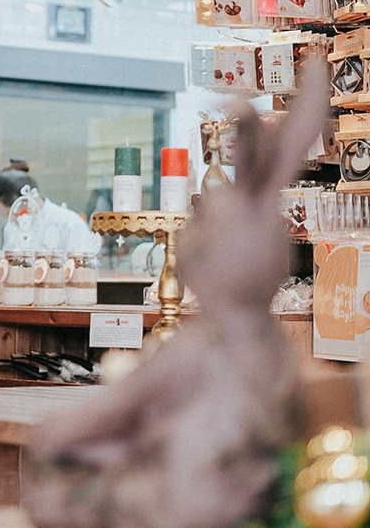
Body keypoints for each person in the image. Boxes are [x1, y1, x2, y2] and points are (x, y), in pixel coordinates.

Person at [20, 65, 331, 528]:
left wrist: (51, 438)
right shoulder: (275, 348)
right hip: (252, 497)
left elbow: (118, 406)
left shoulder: (201, 347)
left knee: (70, 478)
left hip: (193, 503)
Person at [0, 159, 97, 254]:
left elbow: (84, 268)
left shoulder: (69, 223)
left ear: (26, 200)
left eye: (10, 214)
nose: (11, 220)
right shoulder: (11, 227)